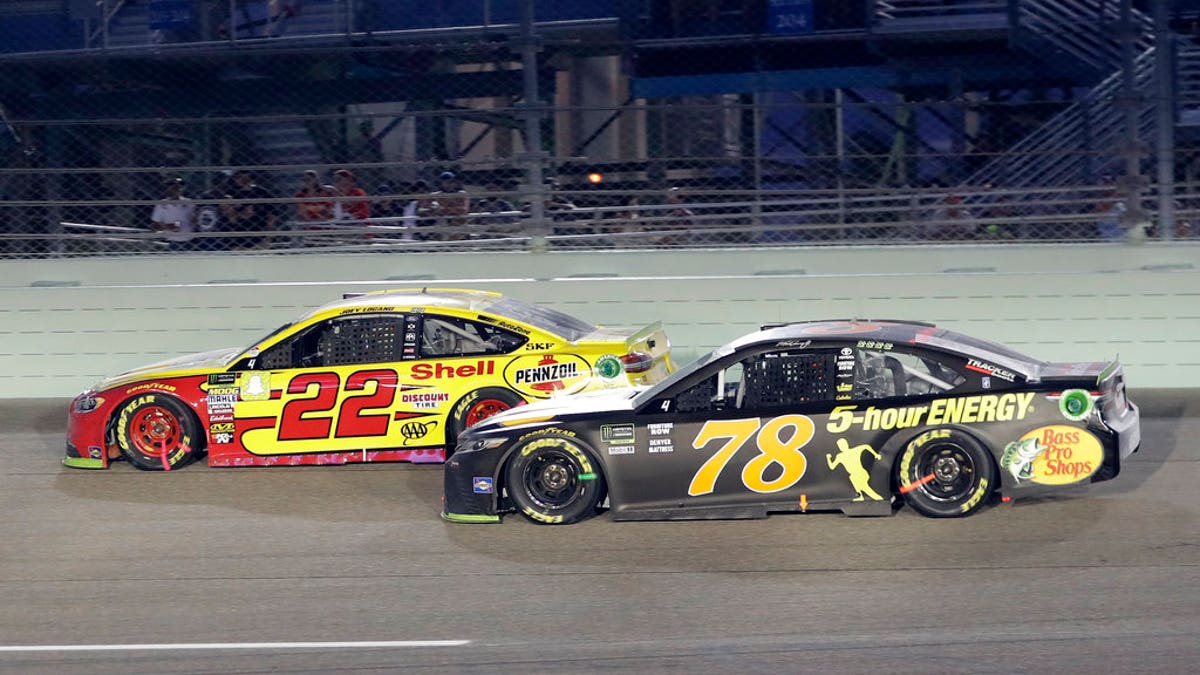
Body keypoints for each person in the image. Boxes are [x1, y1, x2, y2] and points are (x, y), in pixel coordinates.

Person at [222, 169, 278, 249]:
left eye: (245, 177)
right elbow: (230, 217)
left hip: (260, 233)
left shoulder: (261, 192)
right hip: (238, 235)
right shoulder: (231, 193)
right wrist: (240, 214)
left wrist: (269, 234)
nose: (242, 180)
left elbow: (273, 213)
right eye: (238, 177)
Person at [150, 177, 196, 251]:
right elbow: (154, 224)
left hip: (190, 241)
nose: (177, 189)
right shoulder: (162, 204)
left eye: (179, 187)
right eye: (174, 187)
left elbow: (195, 220)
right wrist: (168, 227)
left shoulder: (189, 203)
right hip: (172, 241)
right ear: (168, 188)